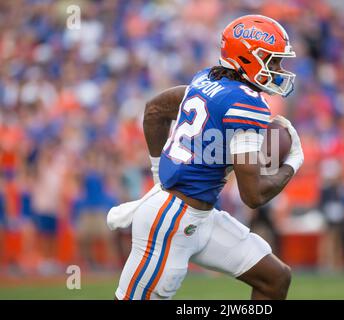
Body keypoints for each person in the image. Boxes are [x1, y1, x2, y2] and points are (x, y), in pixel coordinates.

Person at [109, 15, 304, 300]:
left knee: (274, 278)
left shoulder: (208, 78)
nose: (277, 70)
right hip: (171, 220)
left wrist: (157, 173)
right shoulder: (246, 102)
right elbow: (253, 196)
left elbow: (154, 110)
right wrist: (292, 164)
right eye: (272, 61)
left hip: (200, 215)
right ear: (247, 58)